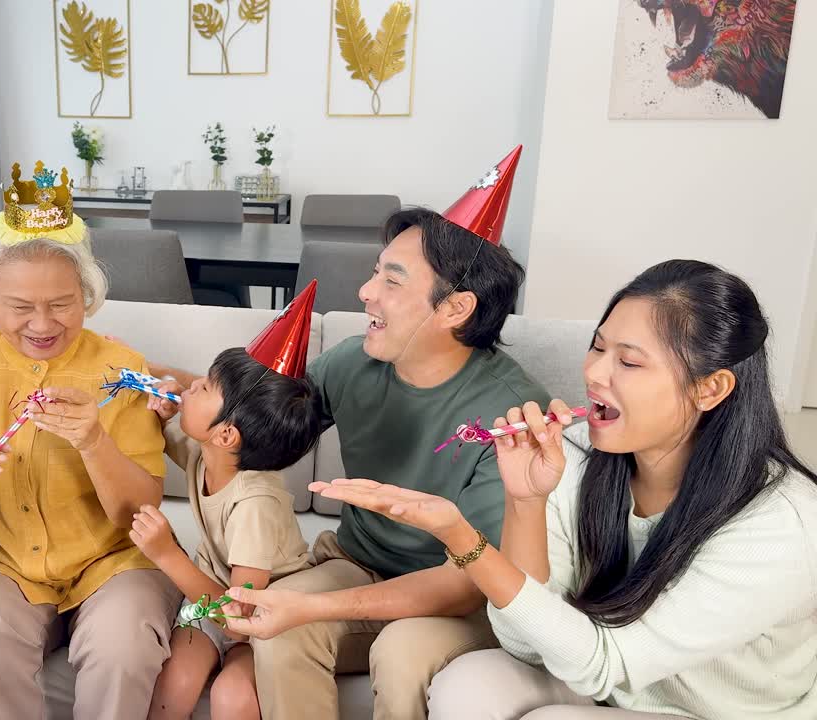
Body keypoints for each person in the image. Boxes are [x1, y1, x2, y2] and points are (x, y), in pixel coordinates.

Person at [324, 260, 817, 720]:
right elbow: (525, 642)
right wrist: (526, 500)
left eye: (629, 362)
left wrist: (461, 538)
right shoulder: (575, 454)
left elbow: (609, 662)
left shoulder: (780, 524)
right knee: (470, 681)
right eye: (599, 347)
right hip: (605, 681)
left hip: (716, 711)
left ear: (710, 388)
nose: (594, 374)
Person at [189, 147, 551, 720]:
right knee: (276, 626)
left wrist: (317, 607)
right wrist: (179, 396)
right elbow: (266, 420)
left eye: (392, 280)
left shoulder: (508, 415)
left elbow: (469, 583)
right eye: (374, 272)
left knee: (400, 652)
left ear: (456, 308)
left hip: (458, 596)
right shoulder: (353, 363)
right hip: (355, 560)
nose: (364, 293)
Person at [0, 162, 182, 719]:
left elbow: (141, 509)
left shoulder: (120, 369)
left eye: (61, 303)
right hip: (3, 565)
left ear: (87, 295)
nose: (41, 324)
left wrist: (94, 441)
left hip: (115, 565)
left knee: (122, 645)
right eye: (20, 307)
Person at [132, 282, 325, 720]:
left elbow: (240, 612)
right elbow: (165, 428)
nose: (193, 383)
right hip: (210, 604)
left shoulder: (255, 502)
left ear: (226, 435)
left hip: (263, 619)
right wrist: (156, 405)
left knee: (233, 696)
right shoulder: (209, 454)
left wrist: (166, 554)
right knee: (174, 684)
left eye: (206, 387)